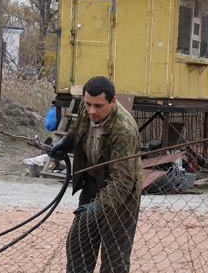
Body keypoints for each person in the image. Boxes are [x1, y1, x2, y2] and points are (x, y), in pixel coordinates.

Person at [48, 76, 143, 273]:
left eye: (98, 106)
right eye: (88, 104)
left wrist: (97, 209)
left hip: (121, 198)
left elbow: (123, 181)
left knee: (114, 262)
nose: (92, 111)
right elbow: (78, 129)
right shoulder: (87, 108)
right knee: (78, 252)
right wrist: (65, 144)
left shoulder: (124, 129)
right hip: (92, 186)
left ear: (113, 101)